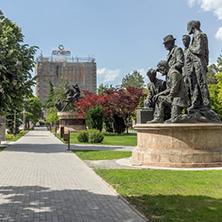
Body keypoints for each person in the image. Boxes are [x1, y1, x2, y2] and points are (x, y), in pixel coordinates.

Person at [186, 20, 211, 112]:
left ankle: (206, 103)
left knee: (202, 83)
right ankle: (196, 102)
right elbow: (207, 52)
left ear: (193, 26)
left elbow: (199, 50)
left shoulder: (199, 35)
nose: (187, 29)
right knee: (195, 84)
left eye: (188, 26)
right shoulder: (199, 35)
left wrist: (189, 47)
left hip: (199, 62)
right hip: (197, 63)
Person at [182, 34, 194, 107]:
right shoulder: (183, 51)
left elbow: (193, 61)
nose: (184, 41)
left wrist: (191, 71)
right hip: (185, 74)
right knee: (186, 92)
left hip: (191, 73)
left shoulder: (191, 49)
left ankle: (194, 106)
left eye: (185, 40)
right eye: (183, 40)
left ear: (189, 41)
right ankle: (187, 107)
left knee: (192, 90)